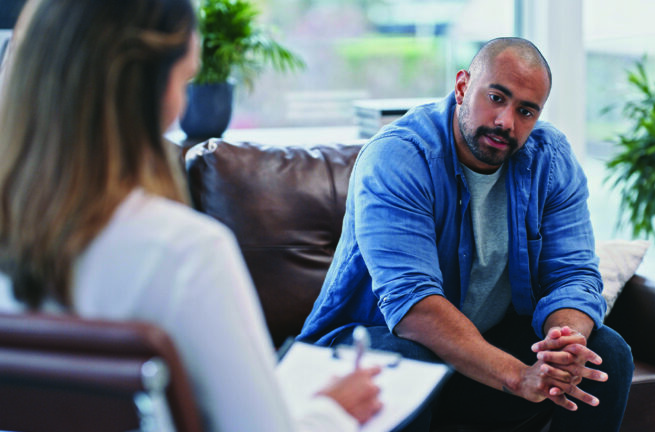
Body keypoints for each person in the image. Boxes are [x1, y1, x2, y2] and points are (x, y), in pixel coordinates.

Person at [0, 1, 382, 431]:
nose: (182, 104)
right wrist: (331, 410)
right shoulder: (185, 253)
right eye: (185, 80)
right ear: (147, 91)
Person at [298, 37, 633, 431]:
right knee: (402, 360)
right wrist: (517, 375)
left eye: (526, 111)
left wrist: (565, 344)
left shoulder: (550, 159)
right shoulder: (399, 157)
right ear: (462, 87)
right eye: (496, 97)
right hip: (373, 349)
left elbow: (572, 275)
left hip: (481, 353)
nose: (506, 122)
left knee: (604, 353)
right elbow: (414, 307)